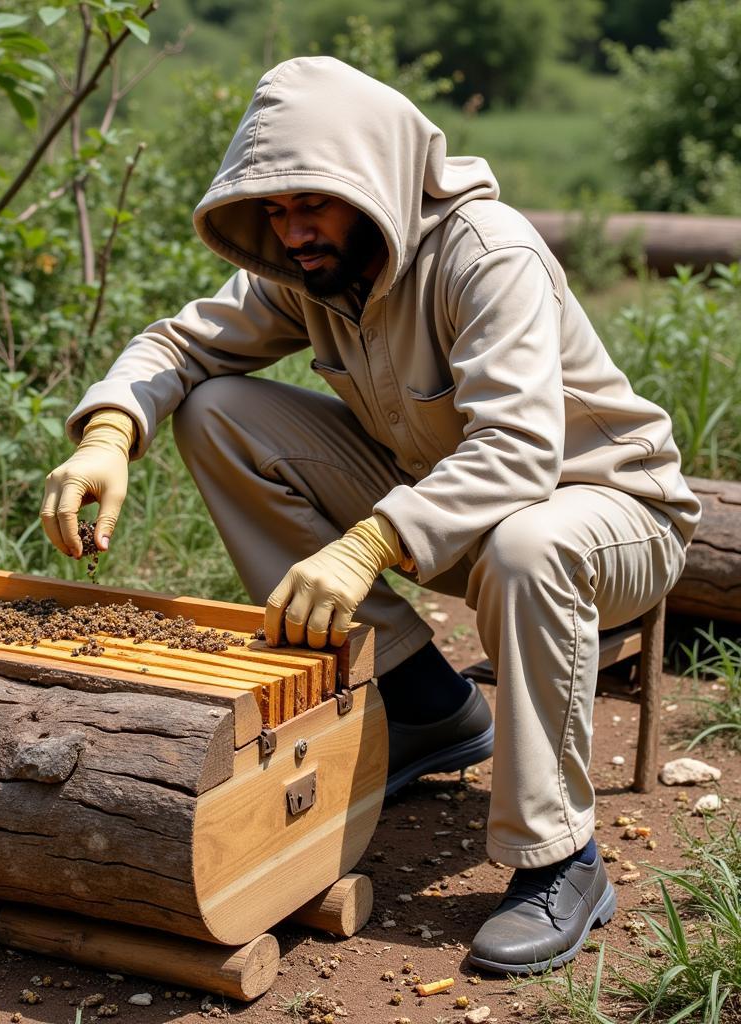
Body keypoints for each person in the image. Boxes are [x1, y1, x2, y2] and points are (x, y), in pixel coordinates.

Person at [39, 57, 701, 974]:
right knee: (216, 411)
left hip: (611, 511)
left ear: (373, 180)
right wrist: (109, 433)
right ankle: (425, 705)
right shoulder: (315, 268)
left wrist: (370, 542)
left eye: (312, 203)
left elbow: (518, 452)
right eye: (274, 210)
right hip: (457, 507)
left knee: (529, 543)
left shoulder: (486, 253)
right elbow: (183, 344)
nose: (294, 230)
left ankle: (562, 860)